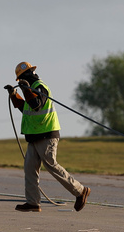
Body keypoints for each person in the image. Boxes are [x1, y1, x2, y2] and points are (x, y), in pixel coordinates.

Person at [6, 61, 90, 213]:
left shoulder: (40, 86)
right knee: (30, 168)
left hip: (46, 134)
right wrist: (14, 95)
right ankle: (33, 202)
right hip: (34, 136)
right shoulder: (29, 88)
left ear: (32, 73)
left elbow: (36, 104)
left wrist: (25, 90)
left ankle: (81, 191)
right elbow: (24, 107)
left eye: (27, 74)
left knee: (51, 165)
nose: (28, 77)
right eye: (24, 77)